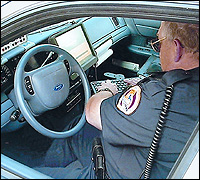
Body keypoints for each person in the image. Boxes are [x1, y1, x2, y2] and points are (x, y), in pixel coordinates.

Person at [35, 21, 199, 179]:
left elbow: (92, 112)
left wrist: (108, 90)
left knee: (33, 172)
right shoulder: (186, 87)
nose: (158, 51)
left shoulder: (158, 99)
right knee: (78, 128)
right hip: (146, 157)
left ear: (177, 49)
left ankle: (39, 170)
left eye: (159, 44)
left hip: (112, 172)